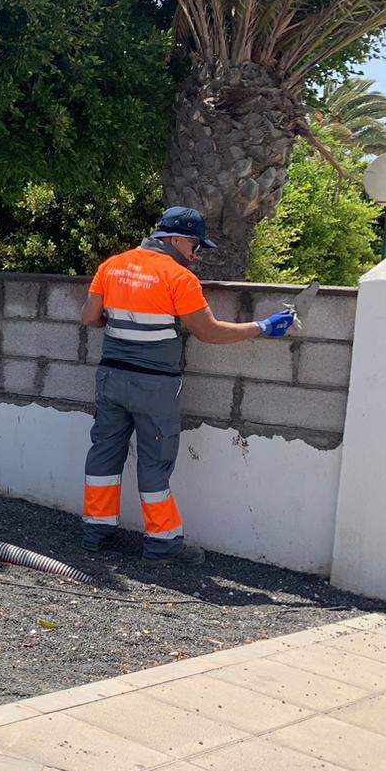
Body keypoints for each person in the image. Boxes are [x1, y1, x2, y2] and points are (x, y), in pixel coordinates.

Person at [78, 206, 297, 565]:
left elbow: (89, 316)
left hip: (111, 378)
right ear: (176, 239)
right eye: (196, 246)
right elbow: (208, 331)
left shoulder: (112, 265)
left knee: (104, 452)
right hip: (154, 385)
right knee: (155, 460)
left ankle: (95, 532)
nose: (197, 255)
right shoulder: (178, 277)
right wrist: (261, 327)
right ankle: (162, 543)